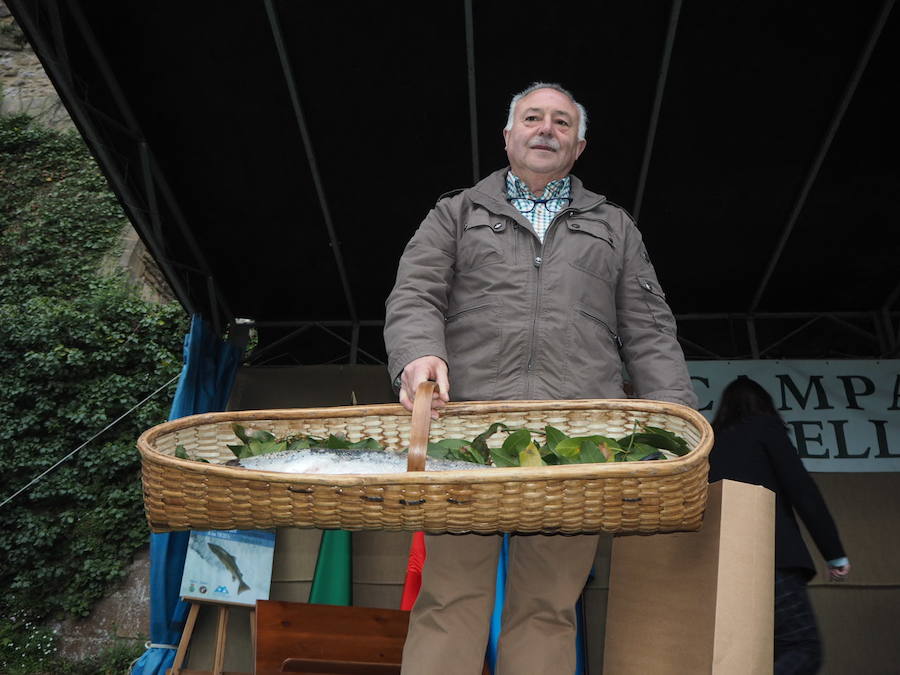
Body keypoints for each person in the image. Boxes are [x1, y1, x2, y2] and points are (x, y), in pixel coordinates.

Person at [384, 82, 696, 674]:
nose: (545, 129)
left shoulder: (616, 228)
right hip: (465, 434)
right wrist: (418, 354)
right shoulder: (454, 213)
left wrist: (675, 425)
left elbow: (651, 332)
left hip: (577, 442)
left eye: (561, 122)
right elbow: (415, 292)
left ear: (579, 146)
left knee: (549, 607)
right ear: (509, 136)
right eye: (532, 118)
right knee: (449, 599)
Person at [708, 376, 851, 675]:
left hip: (719, 567)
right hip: (770, 559)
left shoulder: (708, 444)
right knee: (801, 648)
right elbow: (802, 490)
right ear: (764, 405)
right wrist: (834, 553)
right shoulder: (765, 428)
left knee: (743, 654)